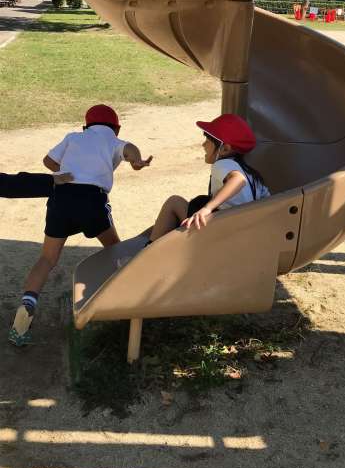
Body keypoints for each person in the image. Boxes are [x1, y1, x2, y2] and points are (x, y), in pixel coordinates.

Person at [9, 104, 152, 347]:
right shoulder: (114, 141)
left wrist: (68, 171)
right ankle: (125, 303)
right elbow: (129, 150)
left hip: (61, 197)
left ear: (85, 126)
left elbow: (48, 161)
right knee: (115, 250)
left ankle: (28, 302)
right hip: (92, 200)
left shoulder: (73, 137)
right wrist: (137, 161)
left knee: (47, 259)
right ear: (116, 128)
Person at [148, 113, 270, 242]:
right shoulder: (252, 174)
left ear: (225, 149)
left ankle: (149, 249)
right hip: (244, 232)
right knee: (199, 201)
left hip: (223, 235)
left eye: (208, 140)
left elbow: (238, 180)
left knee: (174, 202)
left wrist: (207, 209)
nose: (203, 144)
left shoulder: (223, 164)